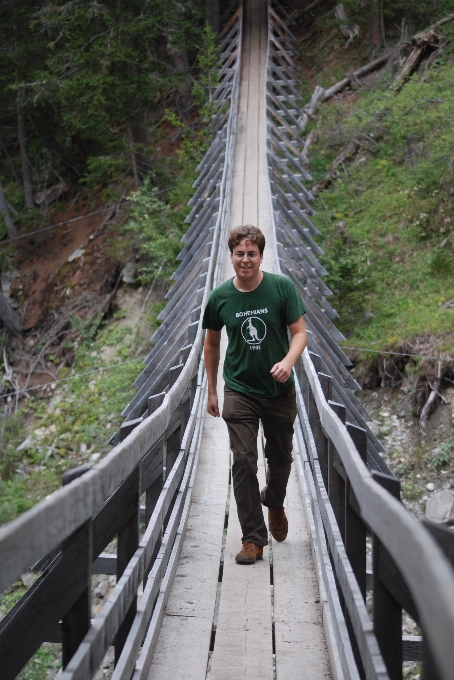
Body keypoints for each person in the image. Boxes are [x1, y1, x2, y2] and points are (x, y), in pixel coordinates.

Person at [202, 224, 307, 565]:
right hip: (240, 389)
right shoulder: (219, 298)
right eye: (239, 254)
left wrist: (288, 362)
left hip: (279, 390)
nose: (245, 260)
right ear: (230, 256)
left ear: (261, 256)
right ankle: (253, 539)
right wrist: (213, 390)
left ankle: (274, 501)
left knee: (280, 460)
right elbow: (212, 343)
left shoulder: (281, 288)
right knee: (244, 461)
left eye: (251, 254)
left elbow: (300, 333)